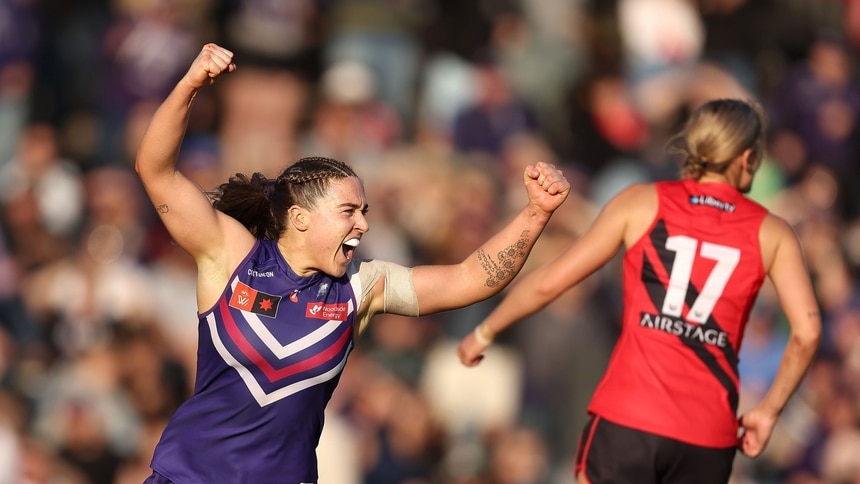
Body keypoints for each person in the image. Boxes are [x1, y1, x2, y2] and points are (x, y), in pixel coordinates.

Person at [134, 43, 570, 484]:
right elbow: (155, 170)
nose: (363, 223)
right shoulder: (231, 255)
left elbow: (470, 279)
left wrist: (536, 213)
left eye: (364, 211)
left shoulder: (362, 289)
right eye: (349, 211)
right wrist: (190, 85)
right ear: (300, 217)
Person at [457, 98, 822, 484]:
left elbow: (551, 281)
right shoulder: (772, 232)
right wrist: (768, 412)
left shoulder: (642, 203)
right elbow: (808, 332)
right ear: (748, 157)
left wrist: (486, 331)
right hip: (706, 434)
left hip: (629, 417)